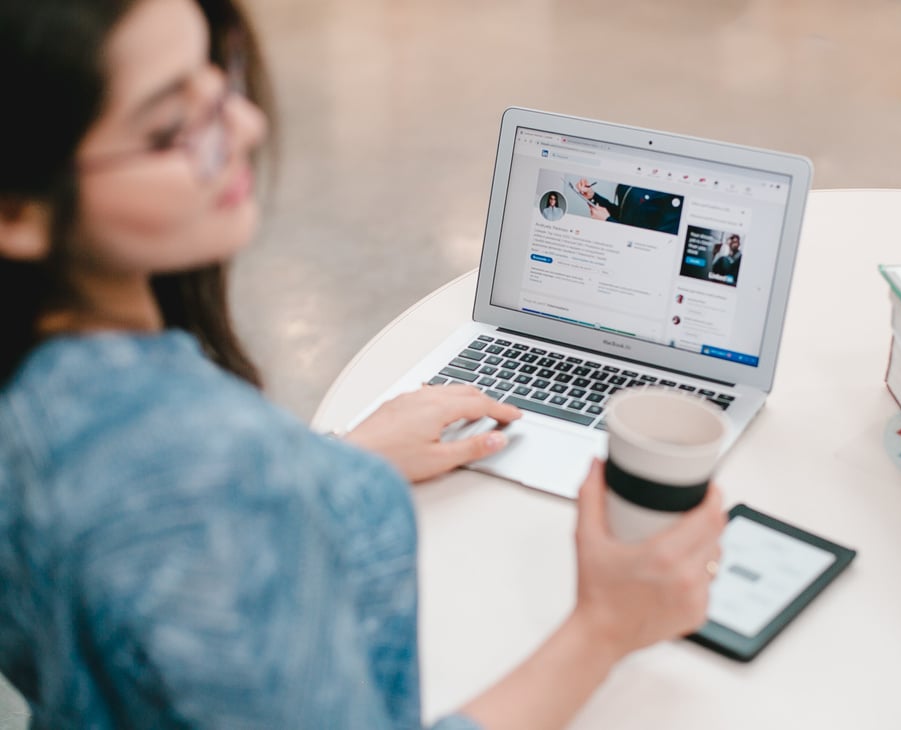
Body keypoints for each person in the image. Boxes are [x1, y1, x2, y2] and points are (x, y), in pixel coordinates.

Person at [0, 1, 726, 728]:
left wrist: (334, 465)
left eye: (216, 76)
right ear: (16, 210)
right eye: (169, 129)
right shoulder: (207, 469)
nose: (247, 127)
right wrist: (603, 630)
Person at [573, 178, 681, 234]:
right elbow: (626, 214)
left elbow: (653, 245)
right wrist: (593, 196)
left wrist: (608, 221)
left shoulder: (674, 195)